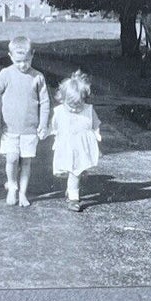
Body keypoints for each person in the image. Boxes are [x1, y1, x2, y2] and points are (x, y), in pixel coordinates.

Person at [0, 35, 51, 208]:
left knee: (27, 161)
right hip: (10, 128)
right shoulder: (6, 74)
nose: (23, 65)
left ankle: (22, 193)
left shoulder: (38, 77)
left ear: (32, 55)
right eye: (18, 61)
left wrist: (43, 124)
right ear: (10, 56)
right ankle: (12, 186)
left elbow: (45, 103)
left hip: (30, 129)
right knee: (12, 158)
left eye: (26, 60)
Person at [50, 70, 102, 212]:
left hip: (82, 146)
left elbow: (95, 124)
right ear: (62, 98)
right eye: (70, 105)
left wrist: (97, 140)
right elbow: (55, 126)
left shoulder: (88, 110)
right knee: (71, 171)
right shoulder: (60, 111)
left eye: (78, 105)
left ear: (84, 99)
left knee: (77, 171)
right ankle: (72, 193)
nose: (73, 109)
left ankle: (73, 196)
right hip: (67, 145)